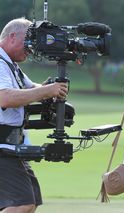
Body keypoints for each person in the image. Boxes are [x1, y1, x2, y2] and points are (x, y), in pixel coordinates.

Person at [0, 18, 68, 213]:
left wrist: (54, 88)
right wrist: (48, 91)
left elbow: (32, 88)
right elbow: (4, 97)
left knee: (31, 204)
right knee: (22, 204)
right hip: (3, 146)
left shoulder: (9, 64)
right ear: (12, 37)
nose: (32, 48)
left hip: (12, 145)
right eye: (29, 41)